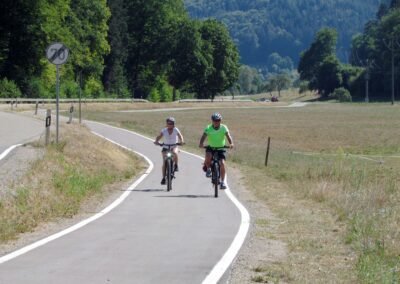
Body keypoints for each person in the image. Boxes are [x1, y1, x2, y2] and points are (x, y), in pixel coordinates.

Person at [198, 112, 234, 189]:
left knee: (222, 163)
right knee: (208, 156)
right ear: (212, 121)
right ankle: (208, 169)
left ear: (220, 121)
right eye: (215, 120)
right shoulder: (208, 128)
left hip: (221, 147)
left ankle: (222, 182)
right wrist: (201, 143)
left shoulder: (224, 127)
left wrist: (231, 143)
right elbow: (203, 136)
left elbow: (228, 136)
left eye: (218, 120)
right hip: (211, 147)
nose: (216, 122)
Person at [154, 117, 185, 185]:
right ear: (167, 124)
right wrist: (156, 141)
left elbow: (180, 136)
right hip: (165, 147)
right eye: (169, 123)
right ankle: (163, 178)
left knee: (175, 152)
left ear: (173, 124)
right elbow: (159, 136)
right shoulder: (164, 130)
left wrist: (182, 141)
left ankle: (176, 165)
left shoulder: (176, 129)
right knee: (164, 162)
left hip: (174, 146)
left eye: (171, 123)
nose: (170, 125)